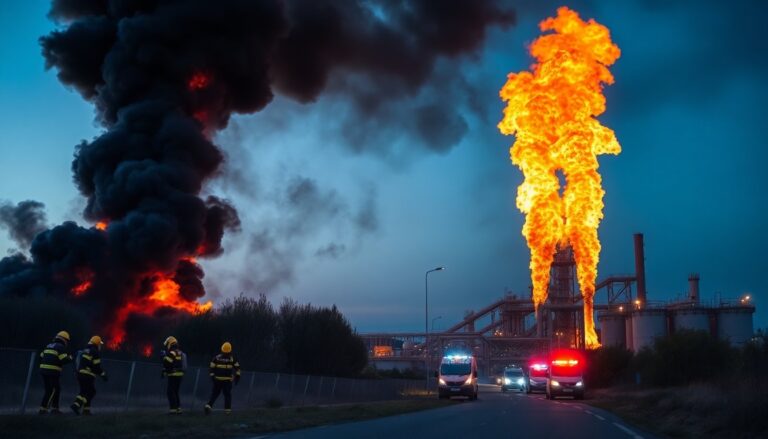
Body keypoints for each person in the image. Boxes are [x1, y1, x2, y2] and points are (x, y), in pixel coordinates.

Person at [70, 335, 108, 415]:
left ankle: (86, 410)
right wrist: (103, 375)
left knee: (84, 391)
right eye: (99, 344)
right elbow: (96, 367)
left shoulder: (85, 350)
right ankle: (76, 405)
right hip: (88, 375)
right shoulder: (94, 351)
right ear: (97, 343)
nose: (100, 346)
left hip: (80, 374)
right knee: (91, 392)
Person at [38, 331, 72, 414]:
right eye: (67, 341)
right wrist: (70, 358)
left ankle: (54, 408)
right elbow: (63, 359)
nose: (67, 342)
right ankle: (44, 409)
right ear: (64, 340)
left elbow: (41, 356)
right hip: (52, 371)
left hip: (43, 370)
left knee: (50, 389)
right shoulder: (60, 347)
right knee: (53, 390)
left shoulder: (49, 345)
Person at [204, 342, 241, 415]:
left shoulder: (216, 358)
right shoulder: (232, 358)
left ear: (222, 350)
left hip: (217, 380)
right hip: (227, 381)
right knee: (227, 395)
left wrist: (212, 377)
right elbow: (238, 369)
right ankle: (227, 411)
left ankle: (208, 406)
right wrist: (237, 377)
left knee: (214, 394)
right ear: (230, 350)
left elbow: (211, 368)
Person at [162, 336, 185, 414]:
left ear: (170, 343)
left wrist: (164, 357)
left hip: (173, 374)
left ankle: (173, 410)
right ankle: (178, 409)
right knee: (175, 392)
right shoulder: (179, 352)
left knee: (170, 392)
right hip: (179, 375)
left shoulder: (172, 352)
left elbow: (168, 363)